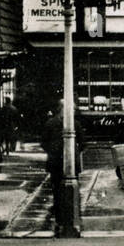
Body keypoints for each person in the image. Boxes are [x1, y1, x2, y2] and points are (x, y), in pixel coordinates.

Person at [40, 98, 83, 237]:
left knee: (60, 193)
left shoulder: (55, 123)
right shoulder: (69, 124)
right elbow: (83, 143)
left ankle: (63, 220)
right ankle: (65, 220)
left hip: (58, 163)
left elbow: (44, 143)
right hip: (59, 164)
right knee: (61, 193)